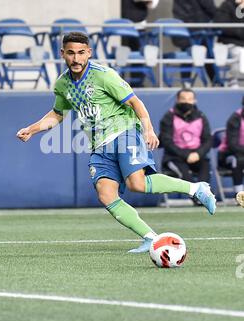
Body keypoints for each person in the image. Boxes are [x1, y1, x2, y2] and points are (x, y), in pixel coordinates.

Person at [17, 32, 216, 254]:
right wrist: (32, 130)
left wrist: (148, 130)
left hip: (124, 132)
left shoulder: (104, 76)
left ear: (89, 53)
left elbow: (135, 102)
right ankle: (150, 238)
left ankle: (197, 188)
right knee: (106, 194)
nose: (76, 58)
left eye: (81, 53)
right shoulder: (63, 84)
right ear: (62, 53)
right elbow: (57, 114)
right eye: (71, 53)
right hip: (99, 145)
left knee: (137, 184)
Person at [159, 89, 212, 204]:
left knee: (205, 166)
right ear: (177, 100)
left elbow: (207, 140)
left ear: (194, 101)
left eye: (189, 99)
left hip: (196, 155)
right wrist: (186, 154)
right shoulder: (169, 117)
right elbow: (166, 141)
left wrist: (198, 153)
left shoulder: (201, 117)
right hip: (174, 157)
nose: (186, 102)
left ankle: (202, 197)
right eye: (183, 99)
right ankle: (197, 198)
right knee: (184, 174)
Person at [117, 0, 159, 87]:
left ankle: (137, 83)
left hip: (138, 24)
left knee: (138, 55)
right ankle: (118, 83)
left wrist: (148, 0)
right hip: (119, 25)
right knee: (121, 55)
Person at [172, 0, 216, 83]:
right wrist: (218, 16)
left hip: (184, 30)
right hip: (200, 28)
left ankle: (185, 82)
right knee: (207, 55)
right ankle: (215, 80)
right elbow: (209, 5)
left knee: (187, 55)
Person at [214, 0, 244, 87]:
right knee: (240, 52)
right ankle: (233, 80)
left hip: (240, 42)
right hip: (229, 42)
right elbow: (220, 25)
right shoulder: (227, 6)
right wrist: (240, 33)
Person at [218, 96, 244, 195]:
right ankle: (240, 195)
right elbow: (233, 145)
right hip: (228, 154)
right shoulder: (235, 118)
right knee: (238, 159)